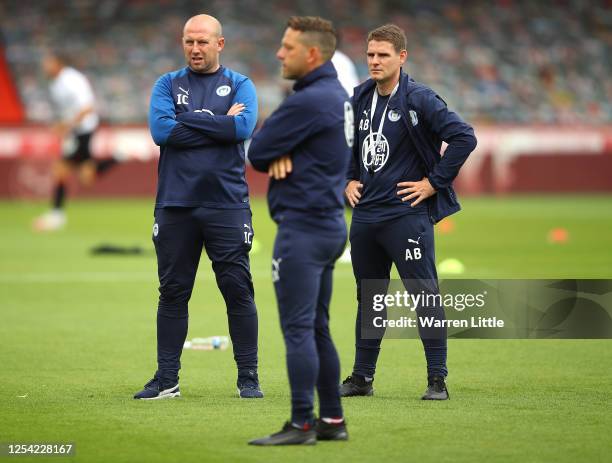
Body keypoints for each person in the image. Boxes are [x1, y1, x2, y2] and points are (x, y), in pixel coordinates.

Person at [341, 24, 477, 400]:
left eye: (383, 55)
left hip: (405, 217)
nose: (374, 61)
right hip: (366, 217)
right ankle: (362, 378)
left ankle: (437, 380)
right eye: (370, 54)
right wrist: (348, 178)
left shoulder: (420, 99)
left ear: (402, 57)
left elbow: (465, 137)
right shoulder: (359, 98)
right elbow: (347, 146)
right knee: (370, 298)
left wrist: (434, 183)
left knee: (424, 296)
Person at [134, 14, 262, 400]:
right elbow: (161, 132)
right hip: (175, 205)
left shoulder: (240, 84)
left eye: (203, 42)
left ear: (219, 44)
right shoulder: (166, 84)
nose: (195, 48)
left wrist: (188, 123)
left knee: (238, 290)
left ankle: (248, 378)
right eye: (189, 41)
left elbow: (243, 129)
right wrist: (216, 122)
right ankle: (167, 379)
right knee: (173, 292)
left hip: (227, 204)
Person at [247, 16, 352, 445]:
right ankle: (331, 420)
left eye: (287, 47)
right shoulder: (335, 94)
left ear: (312, 54)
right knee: (318, 327)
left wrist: (278, 149)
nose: (278, 53)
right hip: (329, 223)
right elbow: (272, 148)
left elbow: (258, 149)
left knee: (298, 329)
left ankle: (301, 423)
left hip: (303, 229)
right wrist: (281, 148)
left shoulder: (308, 101)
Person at [34, 52, 116, 231]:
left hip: (84, 130)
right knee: (86, 176)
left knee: (64, 170)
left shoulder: (73, 80)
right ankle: (119, 156)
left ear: (59, 63)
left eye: (48, 63)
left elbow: (87, 107)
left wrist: (66, 126)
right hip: (76, 131)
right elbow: (68, 109)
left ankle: (56, 215)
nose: (45, 67)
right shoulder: (55, 83)